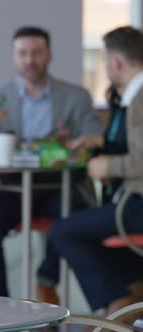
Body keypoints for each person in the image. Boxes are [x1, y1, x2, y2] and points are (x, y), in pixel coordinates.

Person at [0, 26, 103, 301]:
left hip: (60, 184)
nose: (29, 60)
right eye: (22, 53)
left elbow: (96, 137)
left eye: (36, 53)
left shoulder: (75, 96)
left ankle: (47, 277)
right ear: (14, 56)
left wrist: (77, 142)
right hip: (11, 186)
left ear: (49, 55)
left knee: (73, 217)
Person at [50, 26, 143, 316]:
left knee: (63, 232)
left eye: (105, 61)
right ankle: (127, 299)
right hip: (130, 200)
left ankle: (118, 304)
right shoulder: (133, 98)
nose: (105, 67)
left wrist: (106, 166)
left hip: (137, 204)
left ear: (116, 62)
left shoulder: (139, 100)